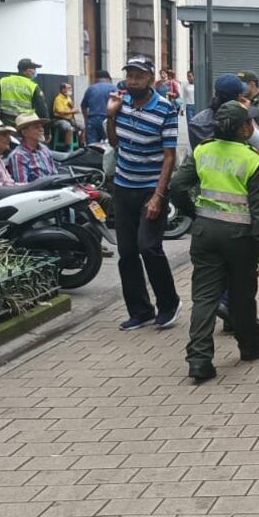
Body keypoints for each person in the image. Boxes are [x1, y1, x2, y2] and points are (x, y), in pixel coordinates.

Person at [169, 100, 259, 382]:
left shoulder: (203, 150)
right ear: (242, 129)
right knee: (242, 294)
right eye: (249, 122)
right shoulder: (252, 159)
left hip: (205, 232)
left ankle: (199, 360)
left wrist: (195, 213)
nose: (252, 126)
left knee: (204, 296)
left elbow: (177, 186)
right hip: (240, 237)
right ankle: (250, 345)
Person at [106, 56, 183, 332]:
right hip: (124, 186)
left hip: (151, 188)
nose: (133, 81)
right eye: (130, 76)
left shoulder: (165, 109)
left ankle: (169, 304)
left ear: (150, 79)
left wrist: (158, 196)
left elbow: (169, 156)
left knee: (148, 247)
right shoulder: (121, 103)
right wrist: (110, 115)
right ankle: (140, 311)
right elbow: (114, 142)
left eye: (139, 77)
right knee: (126, 252)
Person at [189, 73, 252, 147]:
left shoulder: (196, 122)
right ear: (239, 97)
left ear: (216, 93)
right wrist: (244, 112)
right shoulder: (241, 124)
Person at [0, 58, 48, 127]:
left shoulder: (4, 81)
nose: (35, 71)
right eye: (34, 69)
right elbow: (42, 110)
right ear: (28, 70)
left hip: (6, 123)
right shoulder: (33, 86)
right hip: (25, 124)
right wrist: (45, 128)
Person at [7, 114, 57, 184]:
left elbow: (54, 174)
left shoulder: (44, 149)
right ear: (24, 133)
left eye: (41, 126)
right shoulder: (18, 156)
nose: (41, 129)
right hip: (37, 190)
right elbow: (22, 186)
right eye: (36, 127)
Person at [81, 70, 114, 145]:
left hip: (92, 120)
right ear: (109, 78)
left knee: (92, 146)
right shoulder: (113, 88)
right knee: (108, 146)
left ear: (96, 79)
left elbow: (83, 106)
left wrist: (86, 120)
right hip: (107, 121)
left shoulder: (90, 88)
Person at [51, 83, 80, 150]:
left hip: (70, 119)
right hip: (59, 119)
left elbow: (72, 109)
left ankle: (81, 145)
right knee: (69, 128)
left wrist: (74, 109)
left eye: (71, 88)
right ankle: (67, 148)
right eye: (69, 88)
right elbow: (60, 112)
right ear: (63, 89)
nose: (71, 90)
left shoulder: (68, 98)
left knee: (83, 126)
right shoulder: (58, 99)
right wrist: (72, 111)